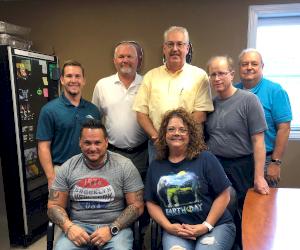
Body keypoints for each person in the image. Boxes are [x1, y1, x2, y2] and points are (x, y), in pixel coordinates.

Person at [145, 108, 236, 250]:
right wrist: (167, 226)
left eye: (182, 130)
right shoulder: (156, 166)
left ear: (190, 134)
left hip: (215, 226)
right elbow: (151, 203)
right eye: (171, 129)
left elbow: (224, 195)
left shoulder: (206, 158)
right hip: (177, 231)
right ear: (164, 134)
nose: (176, 133)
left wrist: (206, 226)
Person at [47, 119, 144, 250]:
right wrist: (69, 227)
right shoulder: (67, 167)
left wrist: (111, 229)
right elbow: (54, 206)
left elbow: (137, 206)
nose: (93, 148)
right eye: (87, 143)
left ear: (106, 142)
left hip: (115, 229)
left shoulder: (125, 166)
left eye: (97, 142)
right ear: (80, 143)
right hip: (78, 228)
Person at [133, 26, 214, 164]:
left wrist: (180, 137)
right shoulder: (151, 76)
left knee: (188, 184)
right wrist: (157, 138)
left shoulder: (199, 76)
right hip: (158, 146)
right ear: (164, 48)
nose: (175, 48)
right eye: (170, 44)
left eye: (180, 44)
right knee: (160, 184)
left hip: (189, 146)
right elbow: (141, 114)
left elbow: (200, 114)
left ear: (187, 48)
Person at [205, 56, 269, 211]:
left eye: (221, 73)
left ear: (232, 75)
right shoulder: (210, 104)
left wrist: (259, 177)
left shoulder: (249, 100)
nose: (217, 78)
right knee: (220, 210)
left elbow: (258, 141)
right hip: (216, 165)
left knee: (243, 211)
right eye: (213, 74)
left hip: (242, 166)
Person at [36, 60, 101, 187]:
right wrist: (51, 177)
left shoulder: (93, 110)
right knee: (60, 207)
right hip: (61, 171)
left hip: (91, 171)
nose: (73, 80)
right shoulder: (49, 110)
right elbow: (43, 147)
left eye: (77, 76)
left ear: (83, 80)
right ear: (62, 79)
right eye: (69, 76)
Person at [236, 48, 292, 187]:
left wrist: (275, 163)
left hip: (266, 159)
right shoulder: (233, 91)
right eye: (245, 64)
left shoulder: (275, 90)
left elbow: (284, 128)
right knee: (236, 203)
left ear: (262, 66)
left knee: (261, 205)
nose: (249, 67)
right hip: (238, 160)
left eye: (254, 64)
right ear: (239, 67)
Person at [92, 41, 148, 179]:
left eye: (130, 56)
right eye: (121, 56)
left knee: (138, 196)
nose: (125, 60)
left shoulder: (147, 83)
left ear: (138, 60)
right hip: (112, 153)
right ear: (114, 60)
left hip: (141, 154)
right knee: (115, 195)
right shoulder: (102, 85)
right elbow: (94, 121)